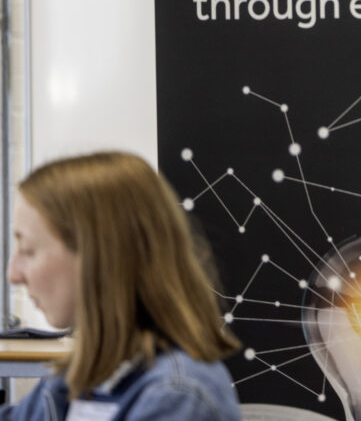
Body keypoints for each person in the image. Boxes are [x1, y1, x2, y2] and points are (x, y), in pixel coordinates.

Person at [3, 151, 241, 421]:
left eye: (29, 249)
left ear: (98, 256)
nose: (14, 274)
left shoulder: (176, 396)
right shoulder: (86, 373)